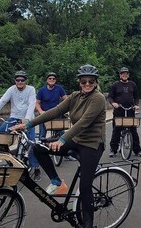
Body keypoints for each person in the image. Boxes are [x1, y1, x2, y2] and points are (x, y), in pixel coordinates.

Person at [12, 64, 106, 228]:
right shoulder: (75, 96)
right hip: (76, 139)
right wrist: (28, 125)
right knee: (38, 148)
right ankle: (56, 182)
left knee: (85, 187)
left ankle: (88, 225)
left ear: (96, 82)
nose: (87, 84)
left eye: (91, 81)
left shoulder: (98, 98)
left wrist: (62, 140)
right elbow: (54, 111)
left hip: (92, 144)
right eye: (84, 81)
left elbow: (84, 122)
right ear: (79, 82)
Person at [0, 70, 41, 181]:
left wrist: (26, 119)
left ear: (25, 81)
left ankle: (36, 168)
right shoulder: (11, 89)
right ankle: (5, 153)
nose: (20, 82)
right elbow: (2, 101)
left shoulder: (31, 89)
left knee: (31, 143)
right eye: (18, 80)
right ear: (15, 81)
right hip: (14, 118)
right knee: (0, 133)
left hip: (27, 120)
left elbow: (32, 103)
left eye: (22, 80)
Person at [36, 72, 75, 161]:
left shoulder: (59, 89)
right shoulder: (42, 90)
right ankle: (41, 153)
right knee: (42, 136)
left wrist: (67, 109)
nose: (52, 80)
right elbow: (37, 103)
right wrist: (41, 111)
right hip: (45, 115)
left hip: (57, 114)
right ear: (47, 80)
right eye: (50, 78)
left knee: (63, 134)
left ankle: (66, 154)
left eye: (53, 79)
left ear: (55, 80)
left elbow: (66, 99)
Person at [108, 67, 141, 158]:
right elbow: (110, 97)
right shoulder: (115, 84)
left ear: (128, 75)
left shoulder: (132, 84)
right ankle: (113, 150)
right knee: (116, 130)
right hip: (119, 110)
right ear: (120, 75)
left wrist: (136, 104)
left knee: (133, 130)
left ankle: (137, 150)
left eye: (126, 74)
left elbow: (136, 96)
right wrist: (113, 103)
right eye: (122, 74)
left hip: (130, 110)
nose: (124, 75)